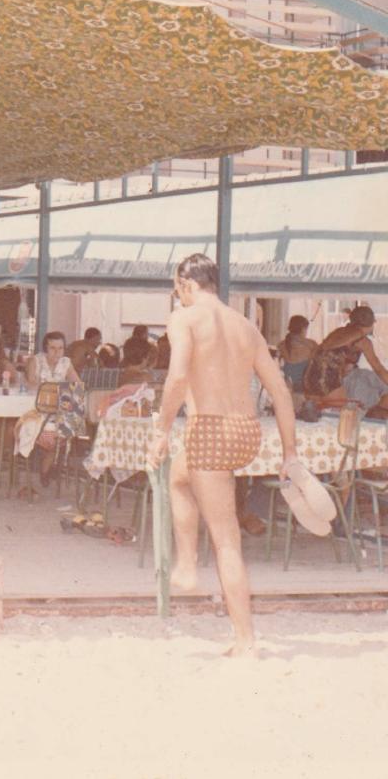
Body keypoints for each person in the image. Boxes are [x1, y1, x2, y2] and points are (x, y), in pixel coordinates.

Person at [147, 254, 298, 659]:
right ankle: (186, 563)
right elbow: (281, 393)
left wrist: (160, 431)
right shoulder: (246, 325)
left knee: (226, 539)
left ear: (185, 285)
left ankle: (243, 636)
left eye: (176, 289)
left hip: (210, 430)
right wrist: (290, 453)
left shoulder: (185, 318)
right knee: (179, 477)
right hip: (246, 432)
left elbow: (177, 377)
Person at [19, 331, 86, 486]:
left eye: (60, 348)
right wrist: (56, 391)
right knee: (52, 430)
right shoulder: (35, 361)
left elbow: (77, 386)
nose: (57, 352)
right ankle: (50, 466)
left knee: (66, 425)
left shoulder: (66, 363)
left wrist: (56, 392)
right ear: (45, 349)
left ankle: (51, 466)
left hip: (59, 411)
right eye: (52, 348)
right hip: (37, 410)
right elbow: (30, 385)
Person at [302, 305, 388, 414]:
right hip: (327, 380)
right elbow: (379, 369)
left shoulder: (339, 332)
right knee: (343, 417)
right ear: (371, 324)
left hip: (309, 377)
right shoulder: (362, 340)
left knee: (321, 415)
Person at [278, 314, 318, 393]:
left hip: (286, 387)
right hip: (305, 388)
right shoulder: (312, 345)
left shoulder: (281, 345)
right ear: (303, 329)